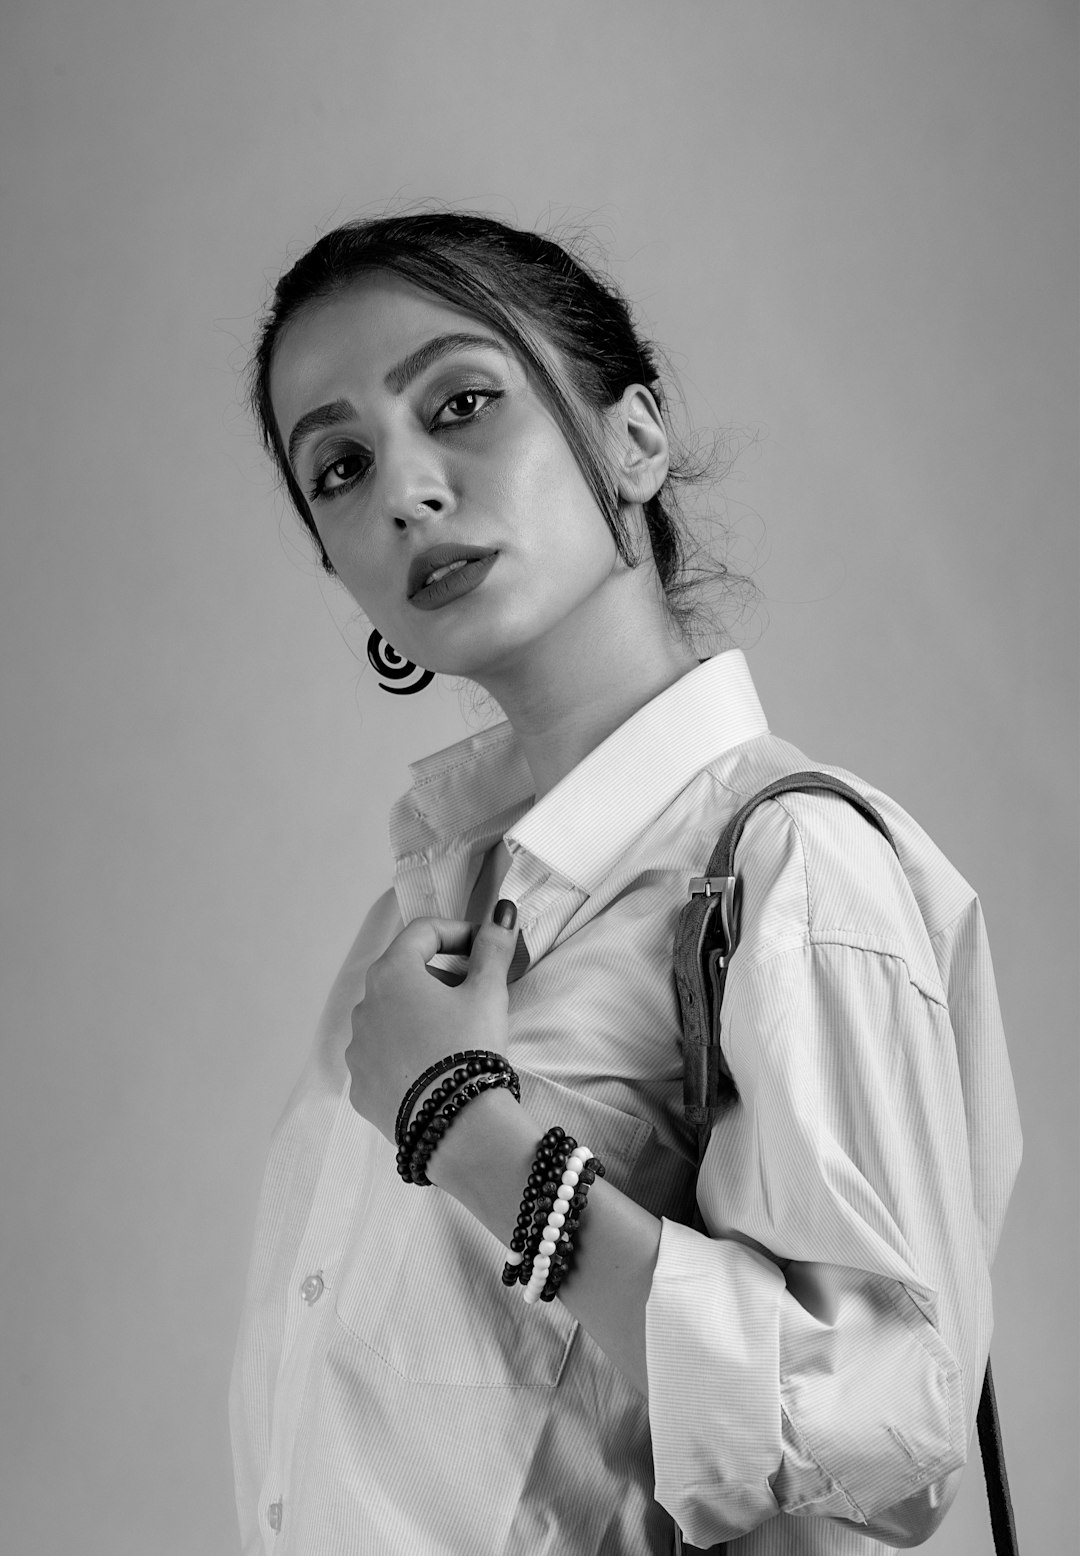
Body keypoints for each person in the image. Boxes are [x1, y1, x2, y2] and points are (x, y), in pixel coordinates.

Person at [230, 211, 1021, 1555]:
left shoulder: (787, 864)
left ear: (632, 439)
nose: (406, 491)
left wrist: (465, 1128)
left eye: (464, 402)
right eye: (342, 468)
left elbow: (880, 1437)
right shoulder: (416, 915)